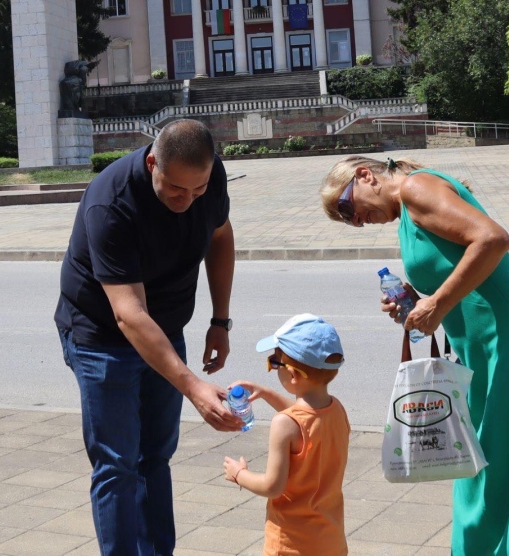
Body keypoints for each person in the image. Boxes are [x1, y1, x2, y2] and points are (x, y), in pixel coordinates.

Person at [320, 156, 509, 556]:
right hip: (488, 347)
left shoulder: (417, 188)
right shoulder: (406, 209)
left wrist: (437, 302)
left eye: (348, 208)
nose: (357, 222)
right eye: (347, 221)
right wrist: (418, 302)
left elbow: (492, 238)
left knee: (507, 470)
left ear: (365, 176)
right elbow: (460, 275)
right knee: (492, 469)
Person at [55, 119, 242, 556]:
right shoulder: (112, 201)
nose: (188, 200)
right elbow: (129, 314)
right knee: (118, 464)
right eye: (177, 189)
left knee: (155, 456)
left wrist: (220, 320)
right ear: (153, 161)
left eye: (198, 191)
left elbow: (220, 234)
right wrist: (193, 386)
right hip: (102, 336)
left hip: (166, 326)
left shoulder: (206, 177)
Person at [222, 313, 350, 556]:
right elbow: (306, 421)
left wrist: (239, 474)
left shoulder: (284, 423)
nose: (271, 368)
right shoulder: (337, 410)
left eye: (273, 361)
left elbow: (272, 486)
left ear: (291, 375)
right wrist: (268, 393)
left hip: (291, 544)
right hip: (330, 541)